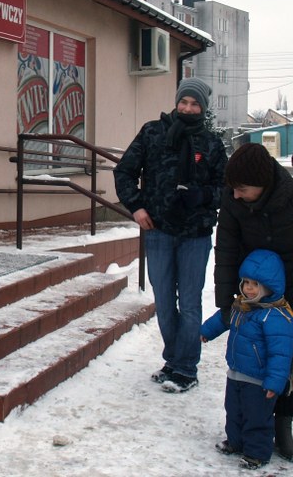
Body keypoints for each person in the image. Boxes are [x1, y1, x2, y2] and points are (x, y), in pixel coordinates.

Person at [214, 142, 293, 462]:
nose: (235, 195)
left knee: (291, 365)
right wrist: (225, 301)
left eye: (242, 189)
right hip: (255, 296)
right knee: (255, 364)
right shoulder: (233, 199)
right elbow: (226, 249)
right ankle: (252, 426)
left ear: (262, 183)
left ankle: (283, 425)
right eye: (233, 188)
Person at [114, 77, 227, 393]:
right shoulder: (153, 132)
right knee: (164, 303)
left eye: (195, 104)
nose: (188, 108)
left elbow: (227, 188)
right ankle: (173, 361)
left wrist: (203, 196)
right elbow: (124, 171)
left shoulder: (212, 144)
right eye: (184, 102)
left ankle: (186, 369)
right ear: (177, 102)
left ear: (203, 108)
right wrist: (136, 207)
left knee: (189, 304)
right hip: (159, 231)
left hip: (195, 235)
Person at [201, 249, 293, 470]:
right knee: (234, 411)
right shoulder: (241, 306)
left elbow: (280, 353)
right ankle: (235, 442)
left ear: (269, 287)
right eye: (246, 283)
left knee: (257, 417)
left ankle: (257, 453)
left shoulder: (276, 316)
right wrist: (206, 331)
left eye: (255, 284)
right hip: (236, 372)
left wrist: (274, 382)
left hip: (259, 379)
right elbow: (222, 320)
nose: (248, 288)